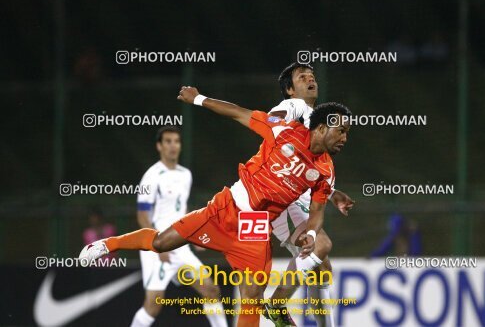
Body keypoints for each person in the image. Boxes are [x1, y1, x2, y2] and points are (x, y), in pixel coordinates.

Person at [80, 86, 351, 327]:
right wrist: (198, 98)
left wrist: (312, 235)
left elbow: (316, 213)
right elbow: (237, 112)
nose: (344, 138)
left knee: (252, 296)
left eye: (347, 133)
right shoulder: (283, 131)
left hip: (256, 230)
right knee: (162, 242)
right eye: (341, 131)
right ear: (322, 128)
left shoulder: (325, 170)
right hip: (227, 209)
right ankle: (108, 245)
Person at [264, 62, 354, 327]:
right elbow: (273, 118)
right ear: (290, 90)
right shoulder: (295, 107)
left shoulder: (316, 124)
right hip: (286, 200)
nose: (310, 79)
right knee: (321, 247)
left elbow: (312, 173)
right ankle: (276, 303)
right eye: (301, 78)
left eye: (312, 76)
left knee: (321, 271)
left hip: (297, 200)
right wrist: (277, 129)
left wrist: (333, 194)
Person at [131, 126, 227, 327]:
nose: (173, 146)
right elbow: (142, 215)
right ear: (159, 146)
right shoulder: (152, 176)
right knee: (153, 304)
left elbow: (181, 212)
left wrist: (197, 235)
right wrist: (155, 245)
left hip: (179, 244)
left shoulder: (186, 175)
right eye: (168, 141)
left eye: (176, 141)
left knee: (211, 290)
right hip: (156, 245)